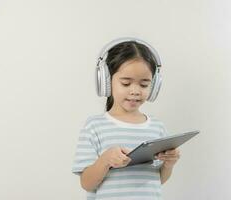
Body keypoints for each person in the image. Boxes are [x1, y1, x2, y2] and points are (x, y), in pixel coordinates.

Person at [72, 37, 180, 200]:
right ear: (107, 82)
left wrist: (169, 164)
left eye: (144, 85)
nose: (135, 91)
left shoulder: (157, 127)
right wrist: (105, 160)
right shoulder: (95, 126)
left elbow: (158, 180)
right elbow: (87, 183)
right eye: (126, 83)